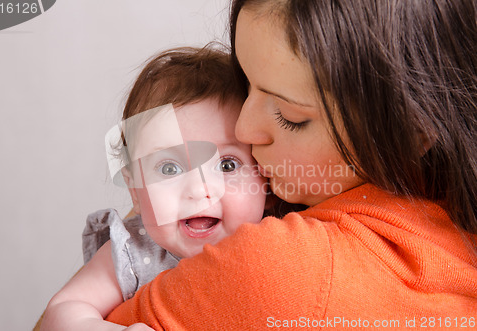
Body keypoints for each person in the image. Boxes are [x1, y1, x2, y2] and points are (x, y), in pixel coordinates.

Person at [102, 0, 476, 329]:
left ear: (413, 131)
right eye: (246, 85)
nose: (244, 129)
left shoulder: (290, 272)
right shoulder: (452, 237)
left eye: (288, 116)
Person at [39, 45, 268, 331]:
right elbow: (64, 310)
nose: (199, 190)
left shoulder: (278, 241)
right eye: (169, 168)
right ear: (135, 188)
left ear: (266, 178)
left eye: (227, 165)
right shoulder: (133, 251)